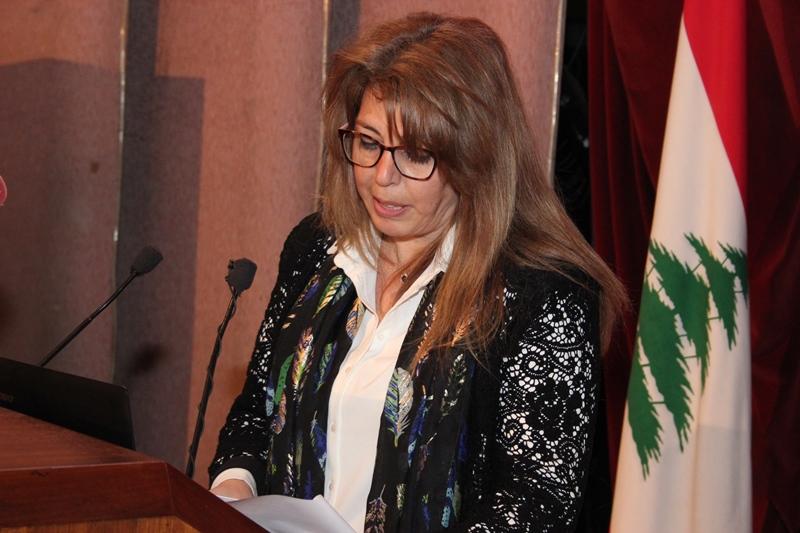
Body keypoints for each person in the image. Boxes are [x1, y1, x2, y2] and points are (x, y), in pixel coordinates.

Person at [209, 12, 626, 532]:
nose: (383, 177)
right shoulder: (316, 250)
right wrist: (231, 500)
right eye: (368, 143)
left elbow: (532, 507)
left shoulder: (544, 296)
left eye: (415, 153)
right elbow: (256, 410)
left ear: (476, 156)